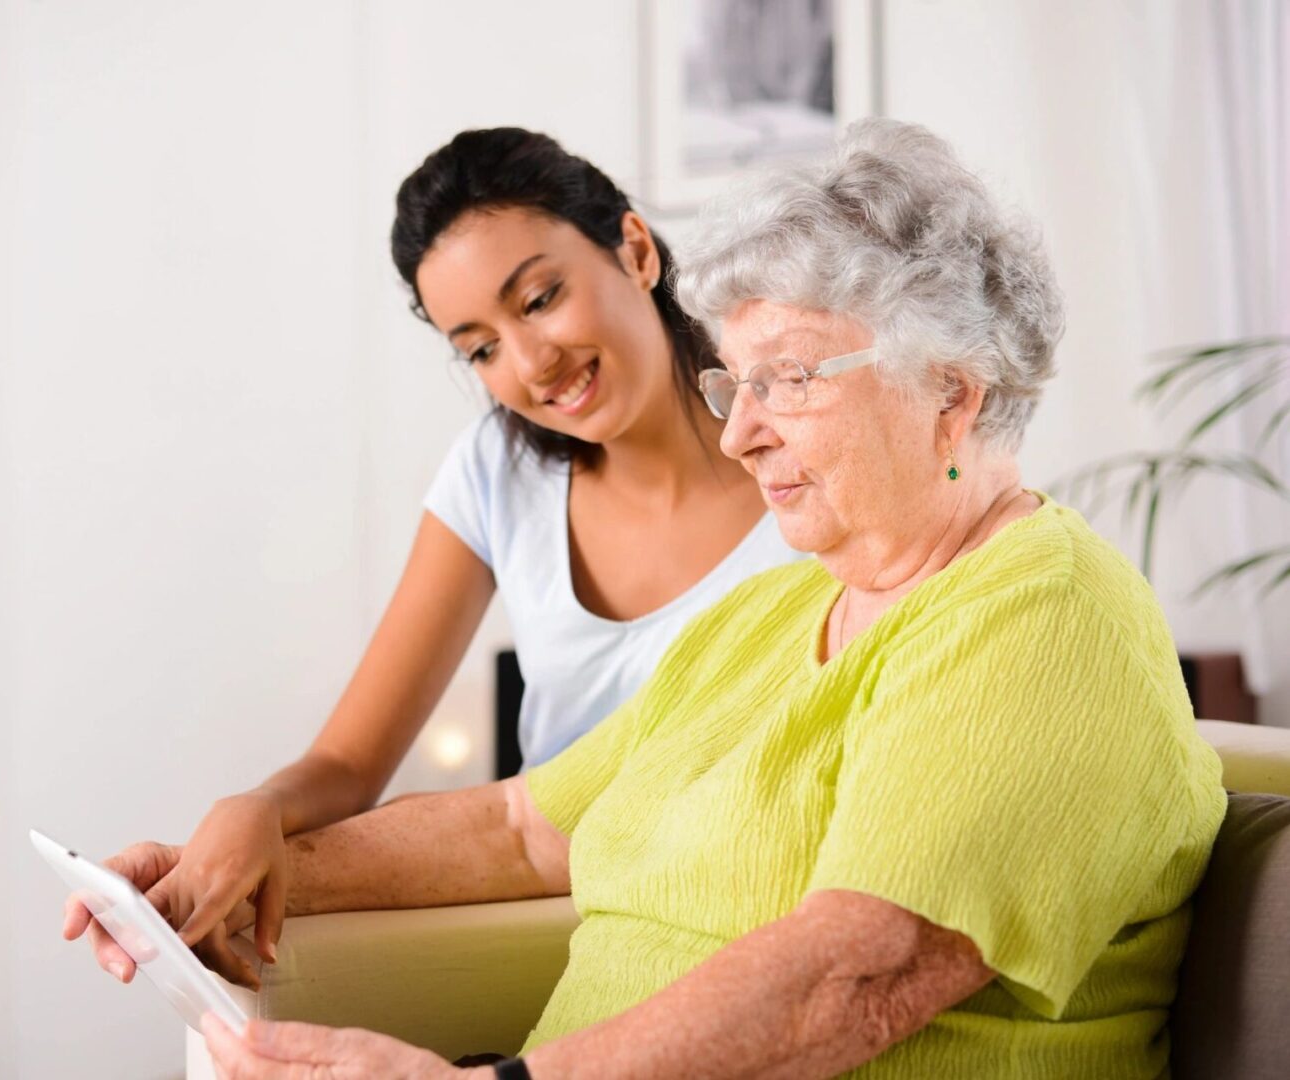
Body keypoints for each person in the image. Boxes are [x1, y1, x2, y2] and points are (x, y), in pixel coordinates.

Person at [191, 119, 1227, 1079]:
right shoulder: (769, 617)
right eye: (735, 385)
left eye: (785, 380)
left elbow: (850, 980)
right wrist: (225, 873)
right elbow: (521, 828)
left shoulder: (1041, 617)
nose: (738, 433)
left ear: (950, 393)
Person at [63, 128, 803, 986]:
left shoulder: (804, 452)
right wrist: (252, 814)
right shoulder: (498, 471)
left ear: (634, 249)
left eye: (538, 298)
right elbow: (348, 763)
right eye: (480, 347)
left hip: (733, 911)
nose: (531, 364)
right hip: (544, 915)